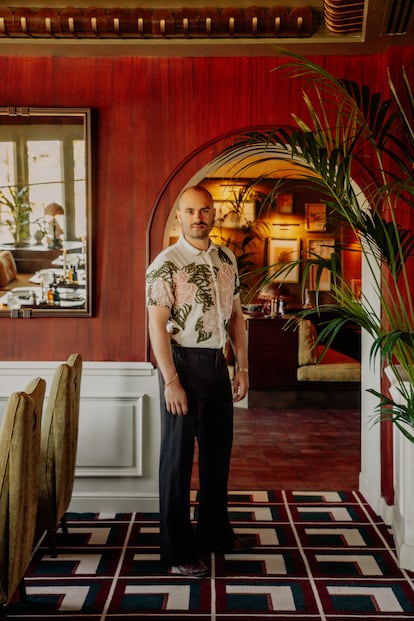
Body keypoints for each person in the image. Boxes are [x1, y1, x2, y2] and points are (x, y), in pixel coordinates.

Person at [146, 185, 254, 577]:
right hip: (181, 364)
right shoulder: (166, 263)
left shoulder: (226, 258)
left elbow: (238, 317)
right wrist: (170, 381)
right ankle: (176, 551)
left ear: (214, 214)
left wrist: (241, 367)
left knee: (217, 454)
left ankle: (214, 533)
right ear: (179, 217)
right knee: (176, 459)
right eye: (190, 211)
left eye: (204, 210)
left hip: (216, 365)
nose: (198, 217)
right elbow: (157, 326)